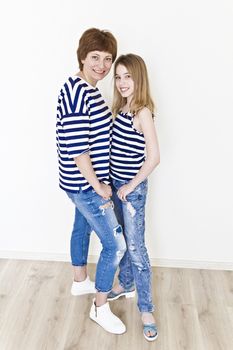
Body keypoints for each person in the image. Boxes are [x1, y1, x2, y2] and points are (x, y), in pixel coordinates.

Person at [56, 28, 127, 334]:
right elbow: (77, 148)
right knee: (116, 245)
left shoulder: (88, 88)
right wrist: (98, 186)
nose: (102, 64)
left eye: (107, 58)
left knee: (81, 226)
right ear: (82, 56)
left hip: (82, 183)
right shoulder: (76, 91)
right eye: (95, 57)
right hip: (85, 184)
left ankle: (79, 281)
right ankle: (100, 307)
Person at [107, 54, 160, 341]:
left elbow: (154, 157)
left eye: (128, 76)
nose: (122, 82)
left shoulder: (142, 112)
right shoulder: (120, 108)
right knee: (122, 240)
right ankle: (125, 283)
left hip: (132, 190)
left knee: (137, 249)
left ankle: (147, 309)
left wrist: (130, 186)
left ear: (139, 79)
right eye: (118, 76)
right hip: (115, 186)